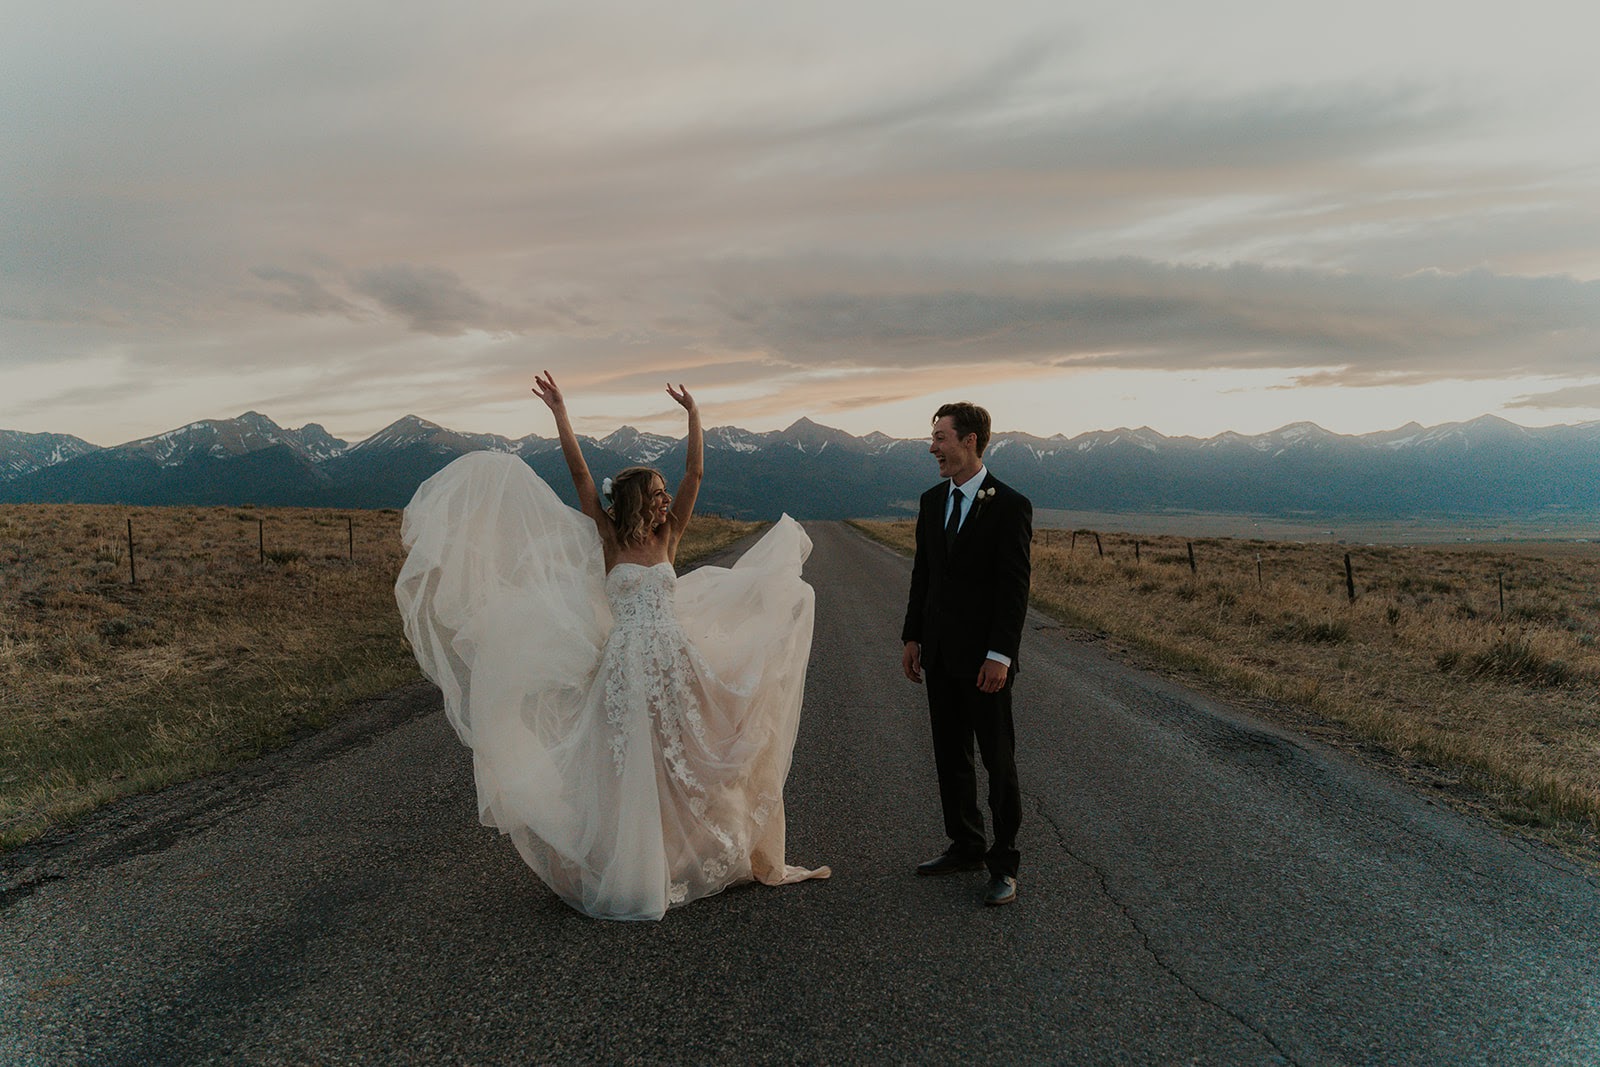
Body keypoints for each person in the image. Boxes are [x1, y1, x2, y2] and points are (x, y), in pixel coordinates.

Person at [395, 372, 828, 921]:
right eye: (655, 493)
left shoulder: (670, 535)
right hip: (623, 666)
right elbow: (578, 471)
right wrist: (560, 411)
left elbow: (694, 473)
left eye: (664, 493)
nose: (666, 497)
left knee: (683, 762)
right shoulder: (607, 535)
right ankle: (633, 863)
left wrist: (693, 414)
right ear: (632, 502)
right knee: (626, 767)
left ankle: (684, 856)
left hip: (674, 662)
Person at [900, 402, 1032, 906]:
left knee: (998, 761)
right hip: (939, 655)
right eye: (933, 438)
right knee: (950, 755)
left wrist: (1000, 654)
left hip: (985, 661)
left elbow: (1013, 588)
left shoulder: (1009, 505)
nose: (932, 447)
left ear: (970, 440)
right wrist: (913, 638)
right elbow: (924, 575)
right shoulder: (932, 501)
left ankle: (1004, 863)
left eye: (940, 437)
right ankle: (965, 845)